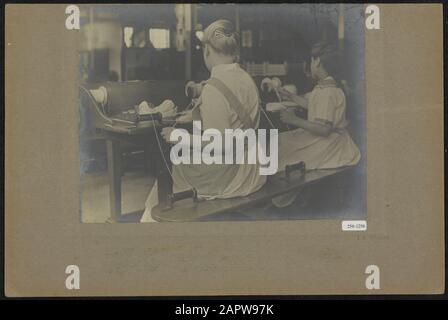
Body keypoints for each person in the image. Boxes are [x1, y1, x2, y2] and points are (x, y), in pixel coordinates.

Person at [140, 20, 266, 222]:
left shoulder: (213, 88)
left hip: (233, 178)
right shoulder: (246, 78)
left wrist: (179, 136)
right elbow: (234, 117)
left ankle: (150, 224)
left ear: (207, 50)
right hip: (254, 168)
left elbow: (219, 144)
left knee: (169, 172)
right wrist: (196, 115)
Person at [272, 41, 361, 208]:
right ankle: (282, 196)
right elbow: (312, 105)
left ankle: (283, 198)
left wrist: (294, 120)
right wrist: (289, 96)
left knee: (284, 148)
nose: (310, 65)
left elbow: (324, 128)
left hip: (328, 144)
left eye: (311, 61)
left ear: (318, 61)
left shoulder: (327, 93)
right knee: (283, 140)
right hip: (327, 139)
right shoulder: (327, 88)